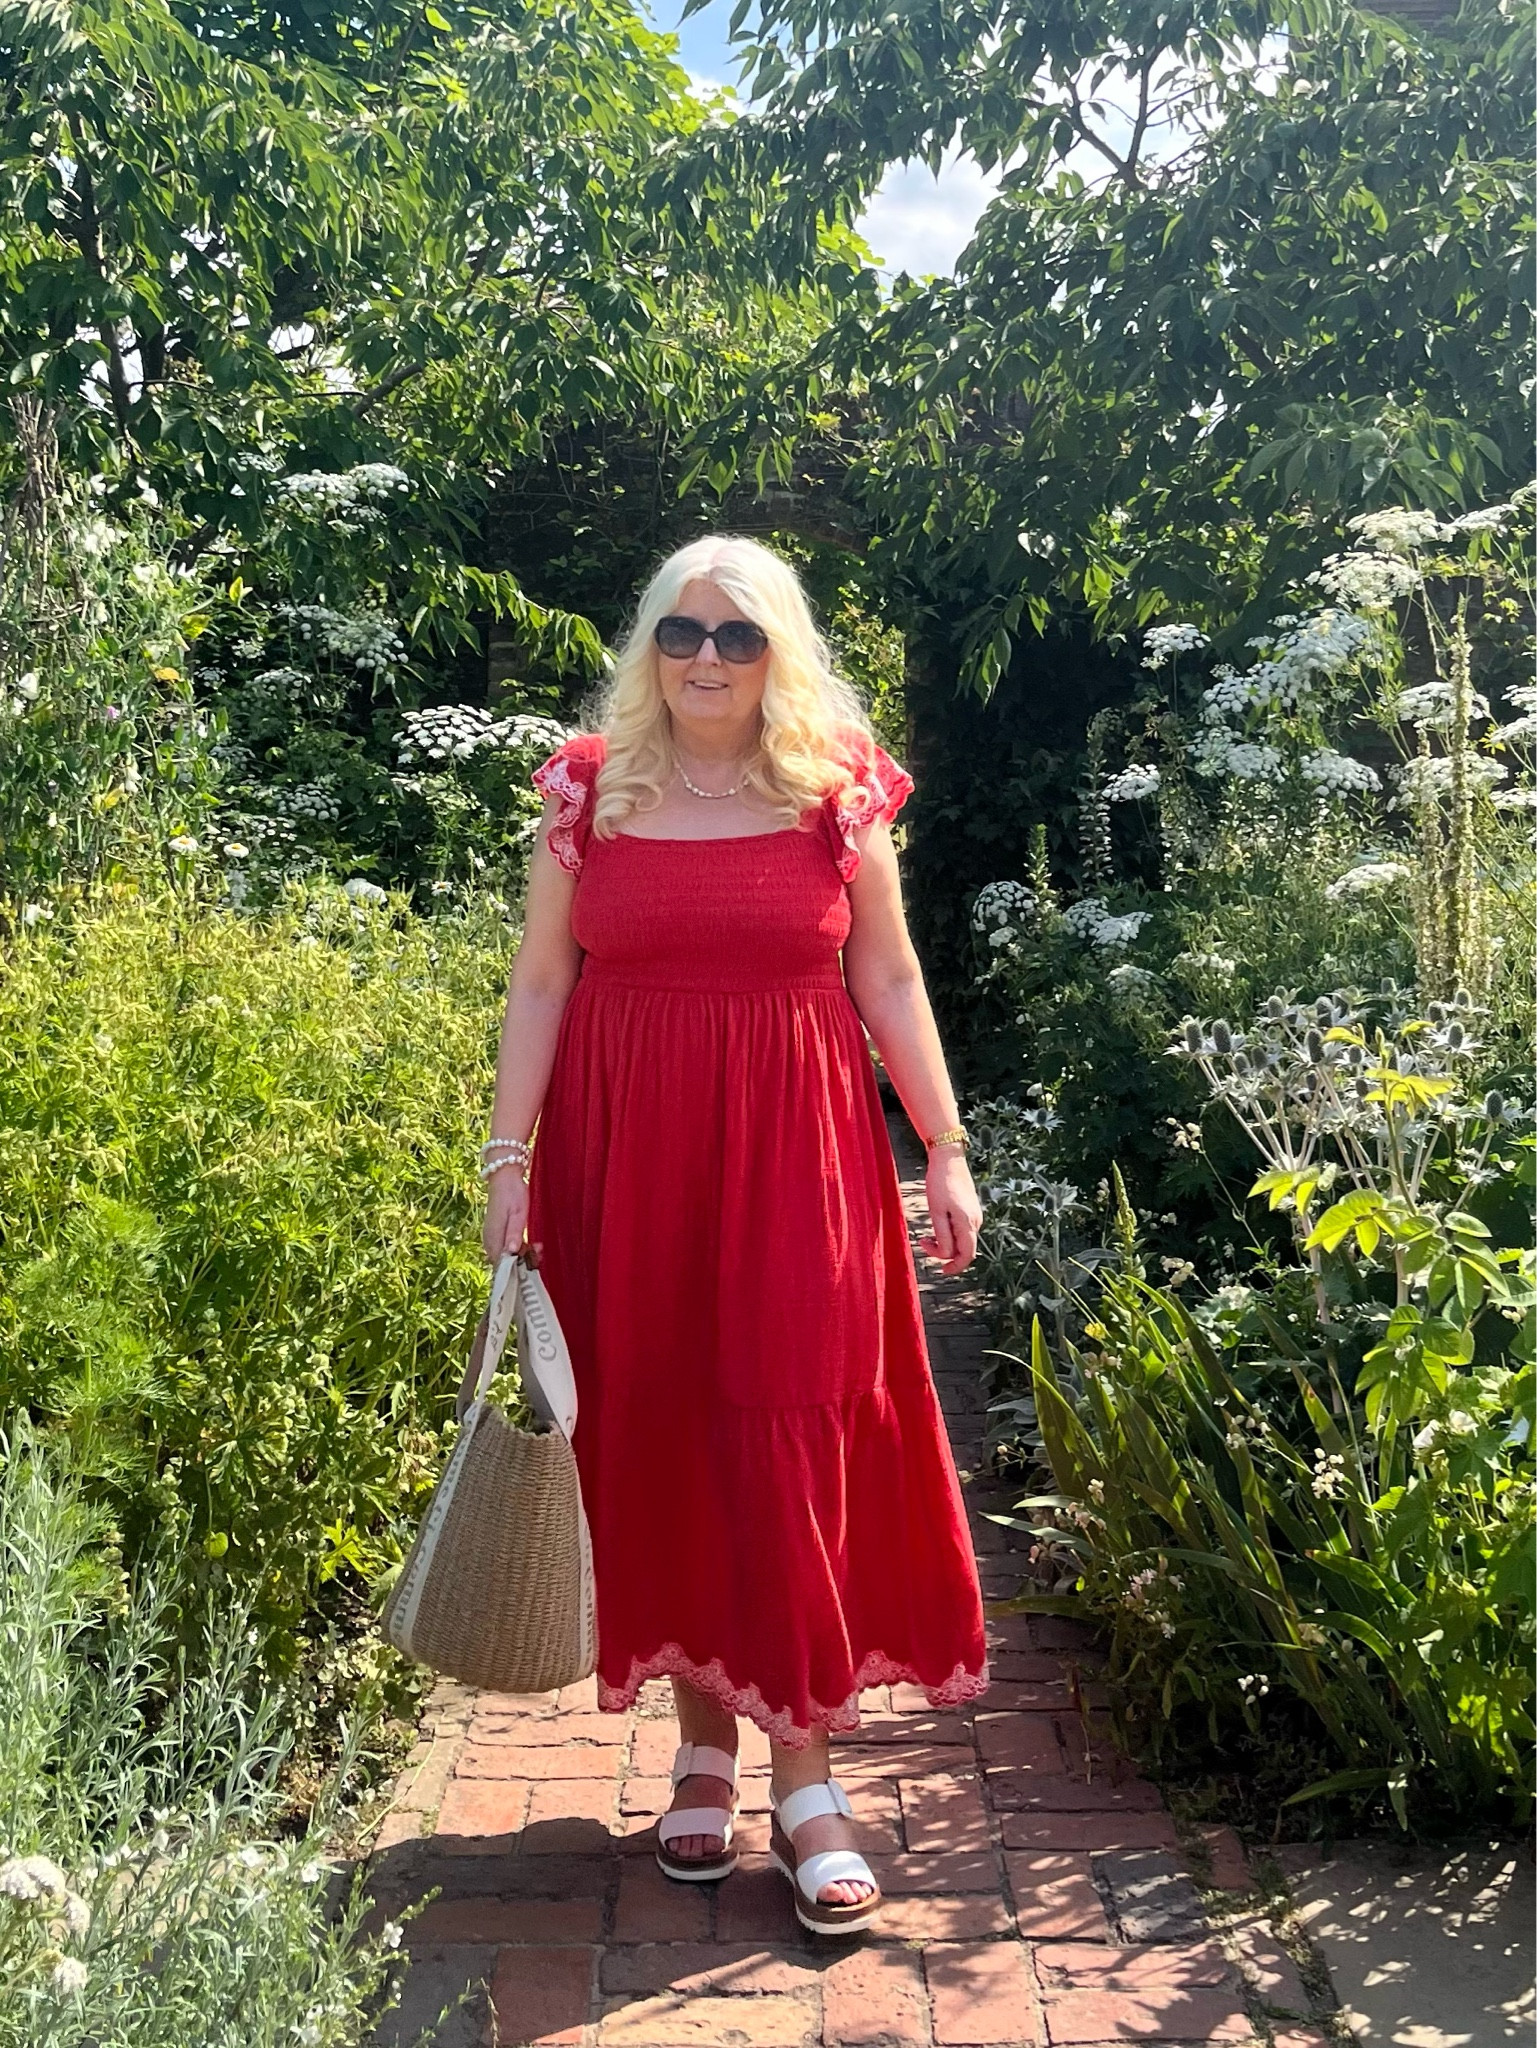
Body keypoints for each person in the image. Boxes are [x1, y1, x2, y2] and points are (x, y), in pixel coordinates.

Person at [481, 534, 987, 1936]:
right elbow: (539, 981)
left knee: (789, 1424)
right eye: (682, 631)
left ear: (780, 651)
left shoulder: (835, 793)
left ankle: (807, 1780)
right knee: (663, 1429)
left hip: (796, 1154)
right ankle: (704, 1746)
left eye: (737, 635)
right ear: (649, 642)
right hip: (623, 1155)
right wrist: (507, 1156)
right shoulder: (592, 793)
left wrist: (942, 1150)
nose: (705, 657)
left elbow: (884, 971)